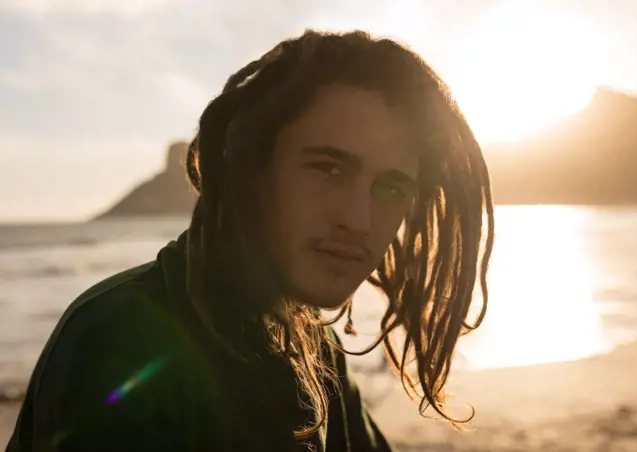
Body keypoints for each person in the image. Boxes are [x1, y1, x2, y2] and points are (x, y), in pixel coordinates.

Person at [6, 29, 494, 452]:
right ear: (252, 170)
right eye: (328, 168)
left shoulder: (312, 345)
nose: (359, 219)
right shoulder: (121, 338)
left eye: (390, 188)